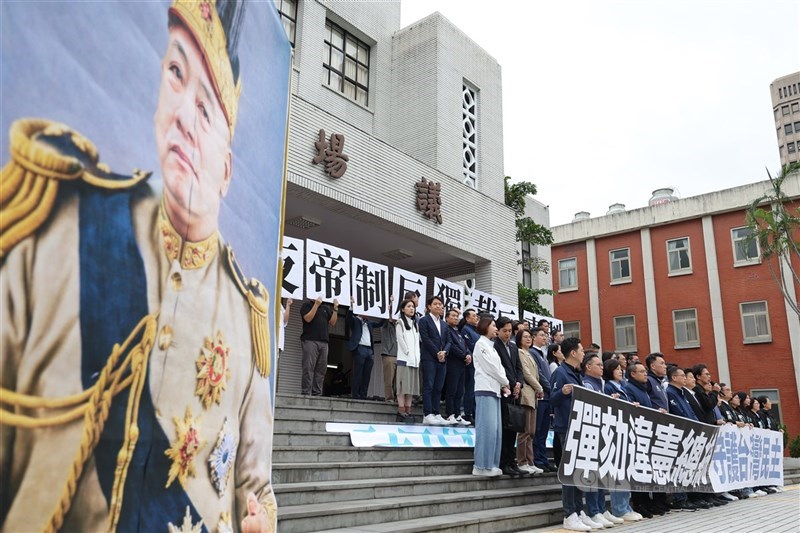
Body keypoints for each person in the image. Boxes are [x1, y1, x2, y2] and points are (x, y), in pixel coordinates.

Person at [1, 2, 279, 531]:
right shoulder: (62, 229)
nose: (183, 116)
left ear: (226, 168)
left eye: (206, 109)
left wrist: (260, 518)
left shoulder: (247, 320)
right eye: (175, 74)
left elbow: (256, 486)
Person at [550, 337, 591, 531]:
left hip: (579, 427)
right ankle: (569, 514)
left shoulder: (577, 374)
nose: (584, 353)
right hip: (566, 427)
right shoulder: (560, 373)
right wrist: (562, 393)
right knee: (569, 472)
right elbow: (552, 400)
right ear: (573, 353)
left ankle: (578, 510)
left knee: (578, 472)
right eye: (581, 350)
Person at [580, 353, 618, 528]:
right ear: (588, 367)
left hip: (602, 430)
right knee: (592, 474)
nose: (602, 368)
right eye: (598, 365)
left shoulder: (600, 383)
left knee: (602, 472)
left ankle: (602, 509)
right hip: (590, 431)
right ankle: (594, 511)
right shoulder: (586, 382)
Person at [602, 359, 642, 523]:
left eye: (621, 369)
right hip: (615, 431)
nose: (621, 371)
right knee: (618, 471)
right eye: (617, 369)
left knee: (625, 471)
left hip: (625, 431)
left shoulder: (622, 386)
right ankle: (619, 508)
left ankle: (626, 506)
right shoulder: (609, 386)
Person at [471, 317, 510, 477]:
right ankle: (481, 465)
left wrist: (503, 384)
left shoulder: (491, 346)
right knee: (486, 428)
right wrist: (505, 381)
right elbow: (491, 368)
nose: (495, 328)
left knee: (495, 430)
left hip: (494, 390)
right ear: (485, 327)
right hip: (485, 389)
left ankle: (491, 464)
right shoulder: (480, 344)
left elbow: (499, 367)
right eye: (493, 325)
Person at [494, 316, 526, 476]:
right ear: (498, 330)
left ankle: (512, 461)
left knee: (514, 427)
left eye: (509, 331)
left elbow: (519, 368)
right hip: (504, 390)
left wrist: (519, 383)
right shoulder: (495, 346)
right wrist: (512, 383)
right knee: (505, 428)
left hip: (515, 391)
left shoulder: (513, 347)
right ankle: (503, 461)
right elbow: (501, 368)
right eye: (504, 331)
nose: (507, 334)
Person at [418, 296, 452, 425]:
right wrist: (437, 352)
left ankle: (436, 412)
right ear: (429, 307)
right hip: (429, 358)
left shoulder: (444, 324)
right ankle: (427, 414)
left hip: (442, 359)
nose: (439, 306)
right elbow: (425, 339)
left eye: (440, 304)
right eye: (436, 304)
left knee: (439, 387)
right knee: (429, 385)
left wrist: (445, 352)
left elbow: (449, 341)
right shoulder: (424, 320)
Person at [515, 329, 543, 475]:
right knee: (524, 431)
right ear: (519, 339)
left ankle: (530, 461)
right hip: (526, 393)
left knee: (531, 431)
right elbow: (526, 373)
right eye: (525, 337)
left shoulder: (530, 354)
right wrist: (539, 387)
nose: (528, 339)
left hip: (533, 395)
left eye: (529, 337)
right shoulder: (520, 352)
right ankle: (522, 461)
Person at [345, 297, 385, 400]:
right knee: (358, 373)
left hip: (369, 350)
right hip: (360, 348)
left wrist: (386, 311)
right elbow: (348, 318)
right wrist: (351, 306)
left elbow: (380, 323)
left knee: (367, 374)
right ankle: (355, 395)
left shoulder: (369, 323)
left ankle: (363, 395)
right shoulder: (355, 320)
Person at [301, 296, 339, 396]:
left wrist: (335, 309)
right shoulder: (306, 305)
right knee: (308, 367)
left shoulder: (326, 307)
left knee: (321, 369)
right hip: (310, 340)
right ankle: (306, 392)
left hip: (324, 342)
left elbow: (333, 322)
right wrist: (316, 305)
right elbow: (308, 319)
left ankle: (317, 393)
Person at [530, 330, 554, 472]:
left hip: (547, 396)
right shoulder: (533, 353)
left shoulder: (542, 354)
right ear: (534, 338)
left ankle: (543, 459)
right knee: (537, 430)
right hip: (540, 395)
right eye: (541, 335)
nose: (545, 338)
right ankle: (537, 459)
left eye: (546, 336)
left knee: (544, 431)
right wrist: (549, 387)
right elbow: (538, 374)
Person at [395, 299, 421, 422]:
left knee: (410, 387)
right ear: (402, 309)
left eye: (413, 307)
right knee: (401, 387)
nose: (412, 309)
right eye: (409, 306)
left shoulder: (416, 323)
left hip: (414, 360)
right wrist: (408, 353)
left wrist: (417, 356)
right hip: (404, 359)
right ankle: (401, 410)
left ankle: (408, 410)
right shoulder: (399, 323)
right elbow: (400, 339)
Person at [444, 308, 471, 426]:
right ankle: (450, 414)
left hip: (462, 364)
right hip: (453, 363)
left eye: (457, 316)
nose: (456, 318)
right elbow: (453, 347)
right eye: (453, 316)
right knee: (452, 390)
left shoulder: (457, 331)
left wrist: (468, 354)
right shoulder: (447, 330)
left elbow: (464, 345)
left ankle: (457, 414)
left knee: (460, 390)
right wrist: (464, 355)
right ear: (447, 318)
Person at [459, 309, 480, 425]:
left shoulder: (475, 331)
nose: (476, 318)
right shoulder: (465, 330)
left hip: (477, 364)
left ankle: (472, 412)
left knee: (473, 390)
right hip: (470, 364)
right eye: (473, 316)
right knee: (469, 389)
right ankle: (467, 413)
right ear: (467, 318)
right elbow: (472, 346)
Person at [379, 313, 398, 404]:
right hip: (389, 354)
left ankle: (398, 398)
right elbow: (383, 319)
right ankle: (389, 398)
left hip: (399, 355)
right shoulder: (385, 325)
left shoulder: (399, 326)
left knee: (399, 380)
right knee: (389, 380)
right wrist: (389, 310)